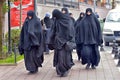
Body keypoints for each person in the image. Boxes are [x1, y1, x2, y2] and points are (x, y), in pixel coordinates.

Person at [48, 9, 75, 77]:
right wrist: (50, 39)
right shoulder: (56, 20)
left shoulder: (67, 20)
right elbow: (53, 30)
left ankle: (65, 69)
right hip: (58, 42)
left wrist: (69, 39)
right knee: (59, 57)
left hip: (66, 42)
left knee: (65, 57)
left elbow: (70, 30)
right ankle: (60, 70)